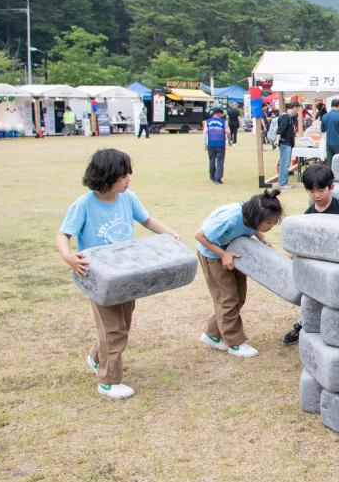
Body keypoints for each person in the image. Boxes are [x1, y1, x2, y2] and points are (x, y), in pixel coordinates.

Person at [56, 149, 180, 399]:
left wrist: (170, 235)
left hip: (127, 275)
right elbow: (63, 234)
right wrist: (68, 256)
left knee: (122, 324)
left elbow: (147, 221)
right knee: (113, 329)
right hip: (100, 277)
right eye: (123, 176)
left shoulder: (128, 198)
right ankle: (109, 380)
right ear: (106, 177)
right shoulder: (84, 205)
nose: (128, 181)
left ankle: (96, 357)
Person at [195, 189, 284, 359]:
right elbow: (200, 236)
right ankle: (234, 343)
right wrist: (223, 255)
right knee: (228, 298)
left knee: (239, 297)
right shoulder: (229, 218)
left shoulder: (251, 218)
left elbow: (253, 228)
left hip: (235, 252)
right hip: (214, 255)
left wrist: (263, 239)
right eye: (270, 223)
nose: (271, 226)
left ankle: (212, 335)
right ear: (257, 218)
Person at [281, 163, 339, 346]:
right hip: (314, 267)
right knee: (310, 298)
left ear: (331, 187)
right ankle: (304, 323)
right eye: (311, 191)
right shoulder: (308, 215)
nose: (317, 195)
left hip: (338, 266)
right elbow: (299, 243)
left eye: (321, 190)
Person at [276, 102, 300, 187]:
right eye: (297, 109)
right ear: (294, 107)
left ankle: (283, 182)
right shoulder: (286, 117)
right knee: (285, 164)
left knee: (284, 163)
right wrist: (277, 140)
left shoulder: (285, 116)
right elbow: (280, 129)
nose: (297, 111)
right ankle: (283, 183)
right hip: (285, 143)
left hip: (285, 143)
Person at [320, 98, 339, 166]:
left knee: (330, 163)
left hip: (329, 143)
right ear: (338, 105)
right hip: (338, 143)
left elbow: (323, 129)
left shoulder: (324, 116)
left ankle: (330, 176)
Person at [204, 107, 227, 184]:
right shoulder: (223, 122)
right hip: (220, 144)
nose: (221, 115)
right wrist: (230, 140)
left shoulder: (207, 122)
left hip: (211, 144)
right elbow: (228, 132)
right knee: (220, 161)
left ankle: (212, 177)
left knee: (212, 160)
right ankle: (218, 179)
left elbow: (205, 133)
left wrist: (205, 143)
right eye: (221, 114)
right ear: (218, 113)